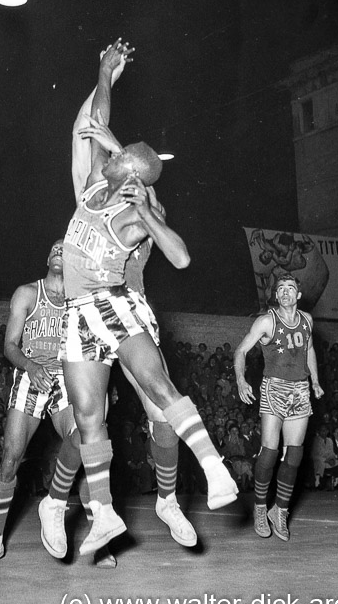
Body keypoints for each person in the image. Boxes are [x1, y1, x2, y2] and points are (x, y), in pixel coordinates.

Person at [57, 40, 238, 557]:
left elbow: (167, 234)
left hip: (124, 305)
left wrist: (120, 151)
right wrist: (105, 75)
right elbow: (92, 123)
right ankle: (84, 505)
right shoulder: (91, 189)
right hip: (81, 313)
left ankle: (168, 500)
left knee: (159, 411)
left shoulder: (141, 213)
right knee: (88, 415)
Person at [0, 240, 86, 566]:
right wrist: (30, 366)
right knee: (10, 459)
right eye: (53, 247)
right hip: (30, 373)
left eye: (64, 248)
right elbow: (9, 346)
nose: (57, 250)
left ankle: (54, 502)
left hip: (66, 376)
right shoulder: (27, 293)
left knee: (83, 435)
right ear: (46, 256)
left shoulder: (80, 300)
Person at [234, 272, 323, 541]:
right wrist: (240, 379)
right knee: (270, 452)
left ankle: (279, 511)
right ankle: (260, 507)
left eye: (290, 288)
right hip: (274, 387)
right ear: (276, 296)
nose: (285, 291)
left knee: (294, 455)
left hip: (300, 390)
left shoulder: (307, 320)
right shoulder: (266, 322)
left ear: (298, 295)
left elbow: (308, 349)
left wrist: (316, 381)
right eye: (280, 288)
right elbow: (240, 351)